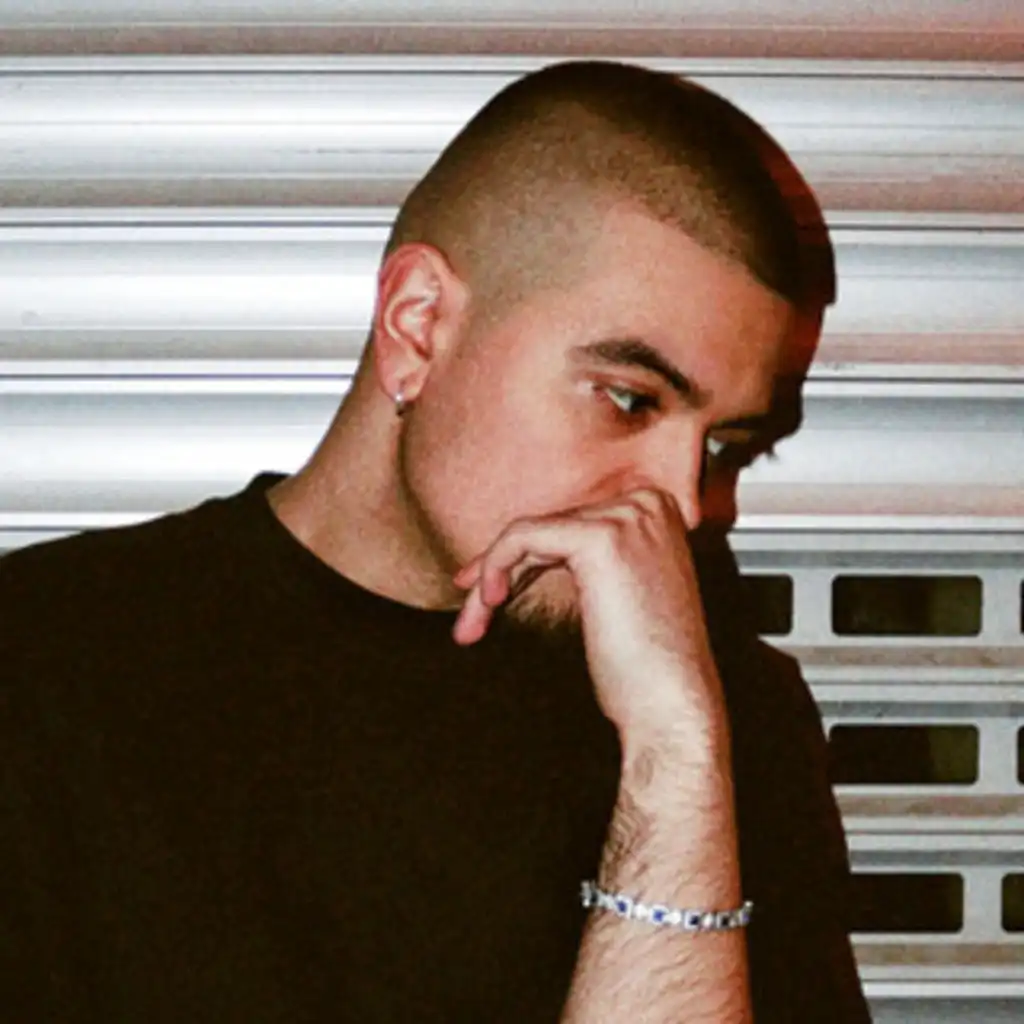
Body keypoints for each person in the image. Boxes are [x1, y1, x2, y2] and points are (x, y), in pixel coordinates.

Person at [0, 60, 871, 1021]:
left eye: (723, 445)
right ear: (418, 327)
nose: (681, 505)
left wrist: (673, 762)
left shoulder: (716, 712)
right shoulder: (41, 666)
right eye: (629, 399)